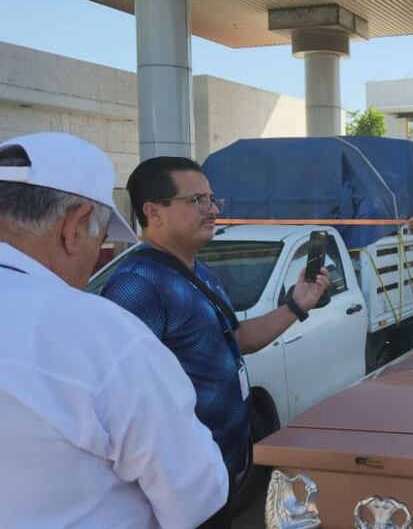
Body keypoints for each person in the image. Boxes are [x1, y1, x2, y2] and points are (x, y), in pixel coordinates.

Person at [0, 133, 228, 527]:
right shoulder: (96, 326)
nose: (211, 210)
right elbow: (194, 493)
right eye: (101, 240)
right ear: (75, 227)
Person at [100, 156, 331, 526]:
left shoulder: (197, 270)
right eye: (197, 201)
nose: (212, 210)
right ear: (153, 212)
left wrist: (297, 304)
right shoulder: (137, 284)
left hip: (213, 477)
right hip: (175, 492)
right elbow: (127, 405)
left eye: (212, 199)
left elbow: (237, 339)